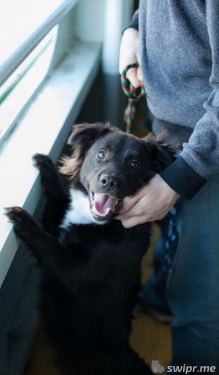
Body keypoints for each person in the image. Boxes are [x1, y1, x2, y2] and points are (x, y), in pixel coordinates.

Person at [117, 1, 219, 371]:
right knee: (172, 233)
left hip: (208, 148)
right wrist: (135, 28)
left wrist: (180, 177)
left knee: (200, 301)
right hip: (172, 128)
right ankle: (160, 296)